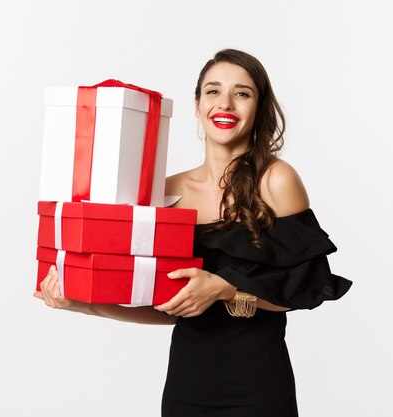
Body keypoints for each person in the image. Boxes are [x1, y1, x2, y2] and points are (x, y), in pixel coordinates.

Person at [35, 48, 352, 417]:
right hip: (187, 386)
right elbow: (169, 308)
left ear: (259, 106)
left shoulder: (277, 181)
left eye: (242, 93)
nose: (226, 104)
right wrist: (83, 303)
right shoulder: (166, 193)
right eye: (213, 91)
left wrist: (227, 290)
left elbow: (306, 289)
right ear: (197, 104)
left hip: (259, 386)